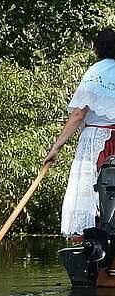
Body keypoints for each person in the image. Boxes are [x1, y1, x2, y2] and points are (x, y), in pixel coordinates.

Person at [44, 28, 115, 237]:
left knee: (93, 193)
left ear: (96, 49)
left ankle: (92, 240)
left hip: (97, 143)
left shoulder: (96, 73)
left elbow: (78, 115)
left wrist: (56, 147)